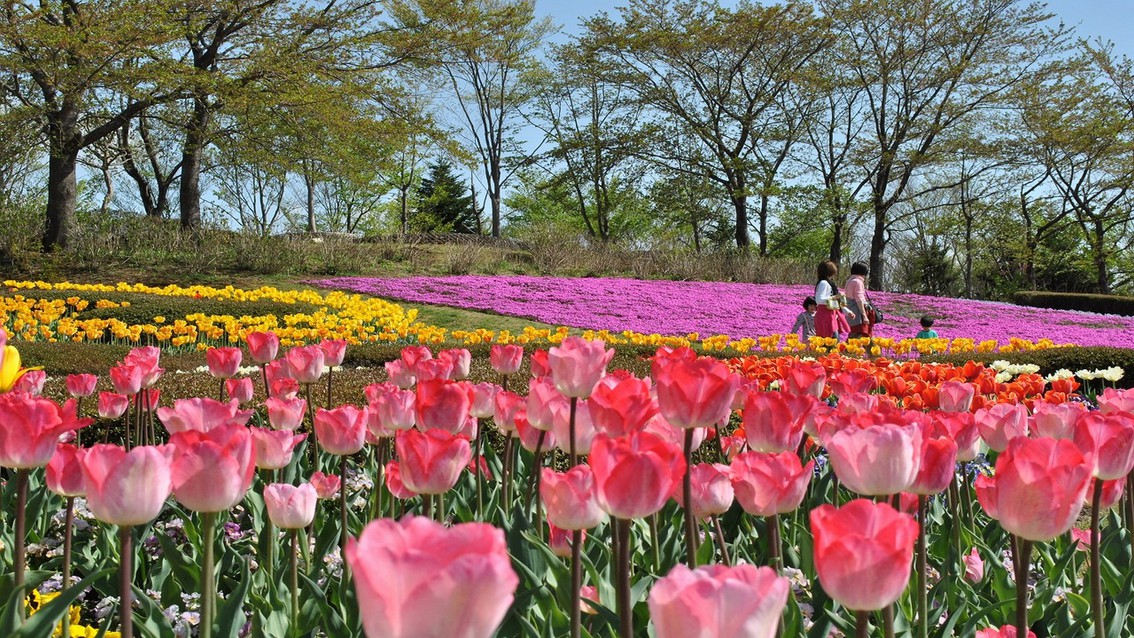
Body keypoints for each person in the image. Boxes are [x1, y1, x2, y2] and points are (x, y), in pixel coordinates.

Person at [814, 261, 853, 339]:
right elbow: (819, 300)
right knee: (830, 339)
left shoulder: (829, 283)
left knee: (833, 338)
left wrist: (847, 311)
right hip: (825, 315)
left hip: (831, 314)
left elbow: (835, 302)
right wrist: (836, 296)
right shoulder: (824, 283)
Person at [844, 261, 871, 338]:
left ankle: (847, 349)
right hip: (857, 312)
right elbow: (859, 300)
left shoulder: (849, 280)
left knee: (854, 334)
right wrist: (864, 315)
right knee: (857, 335)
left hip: (850, 309)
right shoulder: (858, 282)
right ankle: (848, 350)